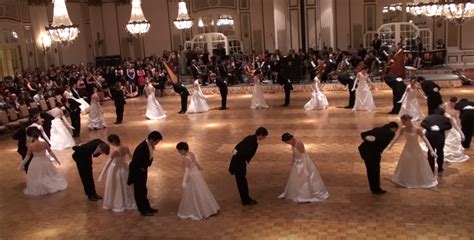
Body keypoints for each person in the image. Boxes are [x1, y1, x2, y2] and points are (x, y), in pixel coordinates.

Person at [388, 114, 438, 188]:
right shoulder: (403, 129)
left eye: (404, 122)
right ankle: (406, 179)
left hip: (416, 149)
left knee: (417, 163)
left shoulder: (417, 129)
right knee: (406, 163)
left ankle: (418, 179)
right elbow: (397, 137)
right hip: (407, 148)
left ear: (408, 120)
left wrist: (431, 150)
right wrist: (390, 145)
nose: (403, 123)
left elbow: (425, 140)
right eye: (402, 122)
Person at [278, 133, 329, 202]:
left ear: (290, 139)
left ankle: (306, 194)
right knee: (296, 178)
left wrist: (305, 166)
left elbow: (303, 155)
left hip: (303, 162)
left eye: (287, 142)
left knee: (305, 177)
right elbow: (294, 154)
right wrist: (293, 163)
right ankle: (296, 192)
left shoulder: (299, 143)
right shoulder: (292, 144)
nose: (288, 143)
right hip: (297, 162)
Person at [176, 142, 220, 220]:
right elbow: (195, 161)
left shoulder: (186, 159)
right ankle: (207, 209)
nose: (179, 152)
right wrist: (199, 167)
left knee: (193, 193)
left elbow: (187, 171)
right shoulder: (191, 153)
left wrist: (184, 182)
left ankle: (196, 209)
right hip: (196, 174)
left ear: (182, 150)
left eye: (179, 151)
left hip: (192, 177)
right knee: (201, 191)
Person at [18, 128, 67, 196]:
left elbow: (27, 157)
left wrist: (21, 165)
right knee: (48, 174)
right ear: (38, 136)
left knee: (38, 175)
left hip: (35, 162)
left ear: (32, 137)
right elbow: (51, 153)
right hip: (45, 160)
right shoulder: (44, 143)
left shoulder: (31, 146)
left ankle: (41, 186)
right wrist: (57, 160)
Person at [229, 127, 268, 205]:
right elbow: (241, 151)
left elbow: (237, 147)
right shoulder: (252, 141)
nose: (264, 138)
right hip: (239, 164)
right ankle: (245, 200)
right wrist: (244, 161)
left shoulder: (251, 138)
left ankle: (246, 198)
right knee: (242, 182)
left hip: (239, 163)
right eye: (264, 136)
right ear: (260, 135)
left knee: (242, 181)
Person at [127, 131, 163, 216]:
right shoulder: (142, 147)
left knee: (143, 190)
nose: (157, 144)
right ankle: (143, 210)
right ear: (151, 139)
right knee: (139, 191)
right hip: (138, 172)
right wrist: (142, 169)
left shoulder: (149, 145)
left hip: (143, 170)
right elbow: (136, 162)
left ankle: (147, 207)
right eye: (156, 142)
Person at [99, 135, 136, 212]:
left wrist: (101, 175)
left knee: (116, 186)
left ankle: (117, 203)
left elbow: (107, 164)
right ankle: (128, 201)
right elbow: (132, 157)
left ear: (113, 142)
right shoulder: (126, 147)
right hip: (125, 168)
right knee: (126, 186)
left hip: (115, 169)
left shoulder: (115, 151)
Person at [358, 122, 398, 194]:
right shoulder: (391, 133)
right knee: (375, 171)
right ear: (394, 128)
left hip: (363, 150)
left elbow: (363, 134)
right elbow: (383, 143)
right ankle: (376, 189)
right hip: (373, 153)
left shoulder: (377, 129)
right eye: (396, 130)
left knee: (370, 170)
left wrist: (368, 138)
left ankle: (373, 188)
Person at [421, 108, 452, 173]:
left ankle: (431, 169)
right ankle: (440, 168)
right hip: (440, 136)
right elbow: (449, 126)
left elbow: (422, 124)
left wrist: (430, 128)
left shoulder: (428, 117)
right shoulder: (445, 118)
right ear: (442, 113)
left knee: (430, 151)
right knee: (440, 152)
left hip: (429, 136)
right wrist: (440, 128)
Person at [442, 98, 469, 163]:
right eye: (452, 102)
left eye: (454, 103)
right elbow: (441, 112)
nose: (453, 104)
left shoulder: (457, 107)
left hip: (453, 121)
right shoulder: (445, 105)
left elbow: (457, 116)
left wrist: (459, 125)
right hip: (446, 121)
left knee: (456, 134)